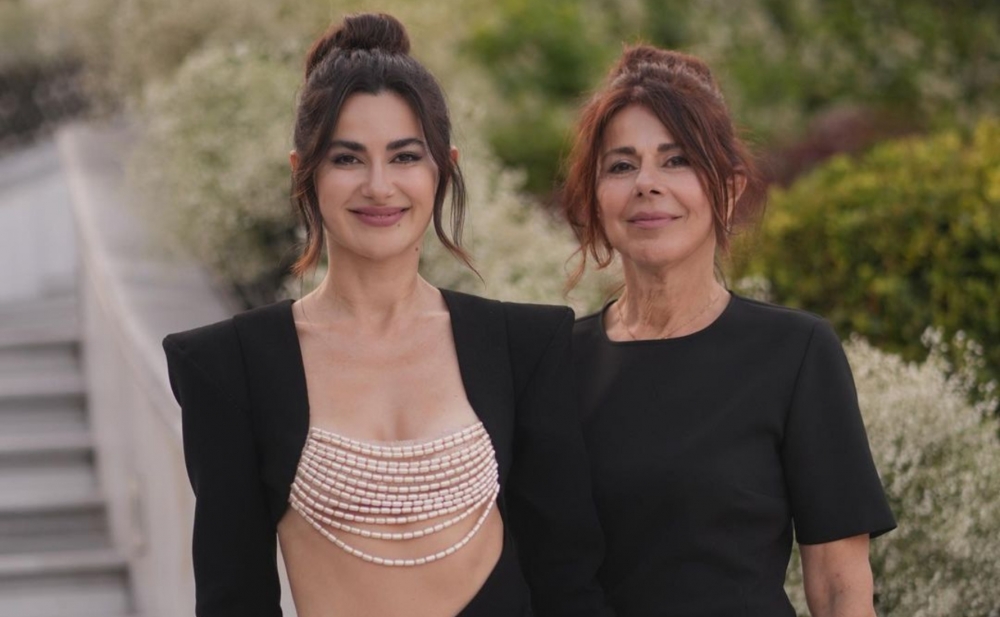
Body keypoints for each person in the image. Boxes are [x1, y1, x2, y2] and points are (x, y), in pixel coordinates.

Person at [163, 13, 610, 617]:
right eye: (348, 159)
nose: (379, 186)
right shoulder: (229, 365)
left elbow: (568, 582)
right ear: (303, 172)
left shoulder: (523, 346)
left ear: (443, 168)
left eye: (404, 157)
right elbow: (232, 598)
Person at [562, 45, 896, 617]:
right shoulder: (558, 362)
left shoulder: (794, 353)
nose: (646, 183)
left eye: (677, 160)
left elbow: (841, 588)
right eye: (621, 166)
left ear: (730, 187)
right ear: (596, 197)